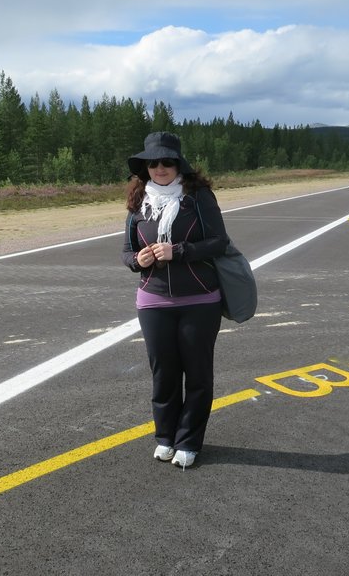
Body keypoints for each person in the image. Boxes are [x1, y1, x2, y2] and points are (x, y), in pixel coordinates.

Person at [121, 131, 228, 469]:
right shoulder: (140, 202)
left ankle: (189, 441)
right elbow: (126, 251)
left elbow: (219, 242)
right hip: (153, 301)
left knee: (197, 375)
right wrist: (137, 261)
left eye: (167, 161)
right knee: (163, 374)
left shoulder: (198, 197)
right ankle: (165, 437)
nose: (160, 168)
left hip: (199, 300)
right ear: (145, 167)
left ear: (179, 163)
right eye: (153, 162)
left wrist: (177, 251)